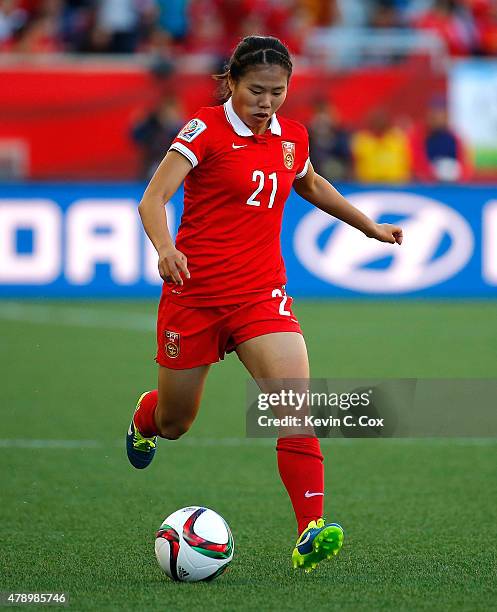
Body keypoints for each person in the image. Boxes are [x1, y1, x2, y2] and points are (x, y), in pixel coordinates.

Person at [126, 35, 403, 573]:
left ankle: (310, 529)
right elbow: (153, 199)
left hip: (261, 295)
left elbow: (312, 183)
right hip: (195, 296)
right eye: (256, 90)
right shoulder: (203, 129)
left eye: (278, 92)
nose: (267, 102)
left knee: (293, 404)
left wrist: (368, 226)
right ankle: (145, 420)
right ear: (231, 83)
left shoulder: (291, 137)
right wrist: (166, 248)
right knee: (177, 420)